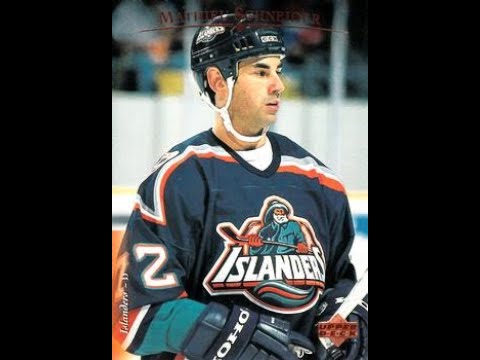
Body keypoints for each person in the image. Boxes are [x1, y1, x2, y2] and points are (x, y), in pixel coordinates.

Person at [112, 13, 368, 360]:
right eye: (261, 71)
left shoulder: (319, 182)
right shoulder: (180, 179)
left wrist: (346, 332)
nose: (278, 84)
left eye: (278, 69)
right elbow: (134, 318)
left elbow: (337, 294)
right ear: (218, 80)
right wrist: (228, 333)